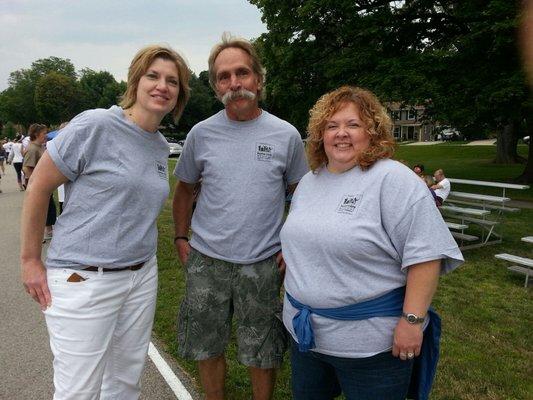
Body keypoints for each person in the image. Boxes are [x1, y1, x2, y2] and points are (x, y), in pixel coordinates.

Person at [20, 44, 190, 400]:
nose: (162, 86)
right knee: (78, 391)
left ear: (179, 93)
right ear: (135, 81)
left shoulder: (159, 146)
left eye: (172, 81)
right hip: (83, 277)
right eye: (153, 76)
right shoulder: (96, 124)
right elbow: (38, 186)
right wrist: (30, 260)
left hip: (141, 276)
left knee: (125, 384)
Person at [280, 86, 463, 400]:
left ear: (373, 132)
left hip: (370, 346)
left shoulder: (393, 179)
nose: (341, 134)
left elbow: (426, 256)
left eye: (353, 125)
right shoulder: (311, 181)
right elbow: (310, 231)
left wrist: (412, 322)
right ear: (320, 134)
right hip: (306, 339)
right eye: (332, 126)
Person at [172, 33, 308, 400]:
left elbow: (304, 195)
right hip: (206, 259)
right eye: (224, 76)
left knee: (262, 347)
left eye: (242, 73)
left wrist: (292, 246)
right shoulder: (201, 134)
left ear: (258, 79)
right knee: (206, 343)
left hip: (262, 262)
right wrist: (181, 237)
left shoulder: (286, 135)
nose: (235, 83)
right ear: (216, 85)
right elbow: (185, 189)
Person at [22, 123, 56, 241]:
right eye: (44, 133)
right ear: (36, 134)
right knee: (38, 212)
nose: (46, 135)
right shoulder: (32, 149)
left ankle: (49, 231)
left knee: (48, 209)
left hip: (44, 186)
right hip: (38, 187)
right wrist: (36, 184)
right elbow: (26, 168)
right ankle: (37, 236)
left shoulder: (39, 147)